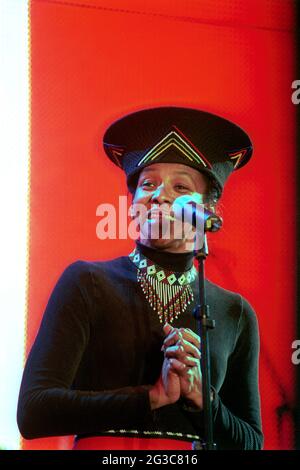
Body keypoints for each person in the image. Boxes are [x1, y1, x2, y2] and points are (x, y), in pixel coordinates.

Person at [17, 107, 263, 450]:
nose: (159, 195)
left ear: (207, 209)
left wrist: (204, 399)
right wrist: (149, 397)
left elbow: (251, 442)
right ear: (133, 203)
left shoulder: (233, 311)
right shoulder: (87, 282)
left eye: (180, 185)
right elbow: (32, 412)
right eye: (148, 183)